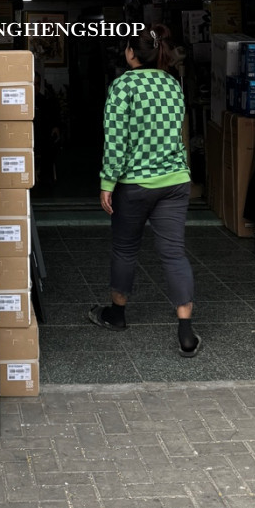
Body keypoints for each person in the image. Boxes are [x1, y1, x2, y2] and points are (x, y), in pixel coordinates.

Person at [89, 24, 200, 357]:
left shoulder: (123, 86)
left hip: (134, 184)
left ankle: (117, 315)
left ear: (130, 53)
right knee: (174, 253)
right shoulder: (172, 84)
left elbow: (115, 141)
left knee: (125, 250)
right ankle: (186, 331)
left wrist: (107, 183)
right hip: (174, 182)